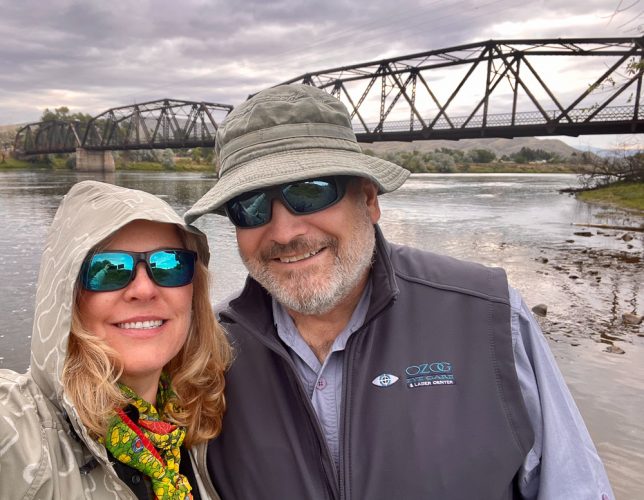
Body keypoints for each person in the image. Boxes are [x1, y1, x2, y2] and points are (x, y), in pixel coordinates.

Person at [185, 84, 615, 500]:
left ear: (369, 200)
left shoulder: (489, 315)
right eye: (250, 205)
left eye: (310, 192)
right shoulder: (208, 354)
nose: (283, 232)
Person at [0, 180, 231, 499]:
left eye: (169, 264)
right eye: (108, 269)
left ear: (194, 292)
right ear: (68, 293)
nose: (144, 289)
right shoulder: (22, 431)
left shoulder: (194, 427)